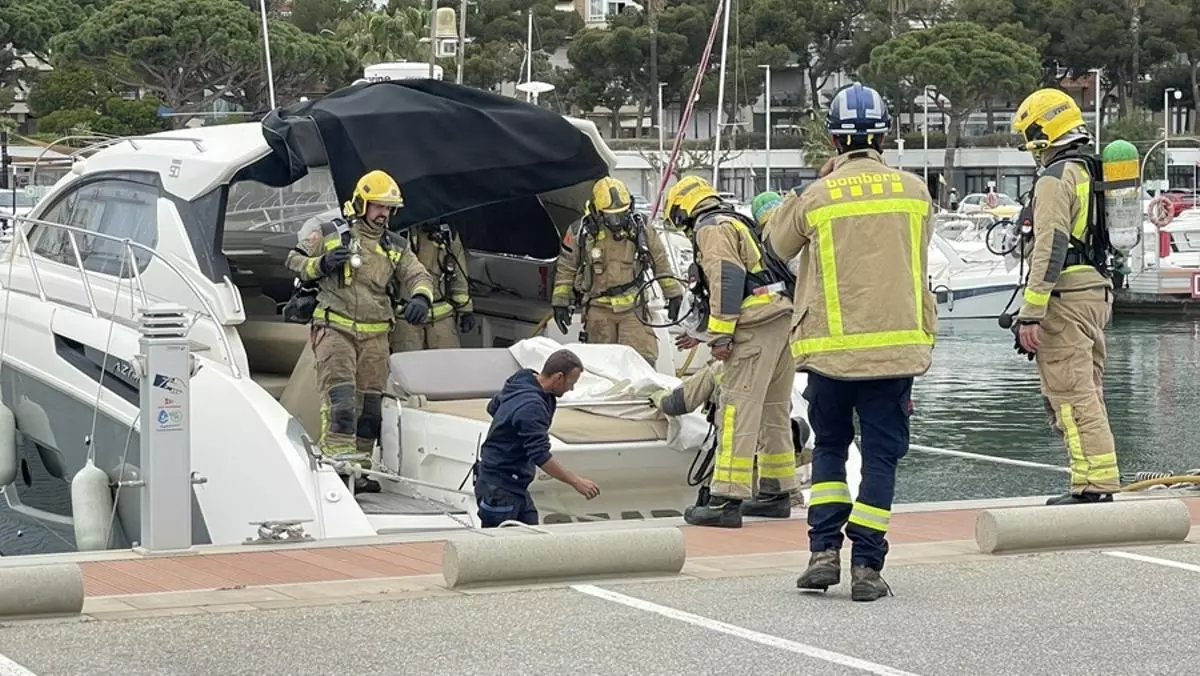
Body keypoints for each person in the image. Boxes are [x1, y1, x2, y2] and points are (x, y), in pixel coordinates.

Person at [763, 82, 936, 602]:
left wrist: (814, 186)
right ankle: (866, 567)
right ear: (883, 137)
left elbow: (775, 244)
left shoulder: (817, 196)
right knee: (880, 458)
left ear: (834, 140)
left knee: (831, 449)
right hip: (895, 353)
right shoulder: (914, 191)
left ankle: (822, 553)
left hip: (831, 354)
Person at [286, 169, 436, 493]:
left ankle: (360, 472)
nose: (384, 214)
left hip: (376, 336)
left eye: (389, 209)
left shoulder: (395, 246)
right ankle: (337, 473)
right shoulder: (331, 233)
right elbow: (294, 261)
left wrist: (422, 297)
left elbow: (418, 275)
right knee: (341, 402)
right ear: (360, 204)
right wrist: (323, 263)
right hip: (335, 329)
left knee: (370, 411)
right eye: (378, 206)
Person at [662, 175, 795, 528]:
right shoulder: (739, 222)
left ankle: (725, 501)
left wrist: (720, 335)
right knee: (774, 409)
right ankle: (775, 491)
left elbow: (726, 276)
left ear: (682, 211)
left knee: (736, 411)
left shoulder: (711, 228)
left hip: (754, 326)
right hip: (781, 318)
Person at [1011, 88, 1120, 506]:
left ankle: (1092, 486)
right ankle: (1097, 479)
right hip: (1095, 292)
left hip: (1067, 298)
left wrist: (1031, 313)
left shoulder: (1056, 178)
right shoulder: (1091, 169)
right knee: (1088, 389)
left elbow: (1051, 244)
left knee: (1071, 394)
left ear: (1042, 133)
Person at [552, 176, 683, 366]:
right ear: (597, 211)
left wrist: (674, 294)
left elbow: (660, 261)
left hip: (634, 308)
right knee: (602, 366)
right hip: (598, 309)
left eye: (621, 214)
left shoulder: (641, 228)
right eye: (611, 216)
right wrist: (561, 302)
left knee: (641, 362)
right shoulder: (580, 232)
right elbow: (567, 268)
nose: (617, 221)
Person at [649, 357, 799, 517]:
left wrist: (659, 397)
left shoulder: (720, 368)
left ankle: (724, 505)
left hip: (740, 466)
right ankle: (775, 498)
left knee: (732, 438)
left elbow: (677, 403)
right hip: (777, 461)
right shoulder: (778, 361)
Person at [474, 348, 601, 527]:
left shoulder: (523, 377)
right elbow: (540, 455)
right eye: (570, 383)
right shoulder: (532, 407)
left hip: (512, 484)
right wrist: (576, 482)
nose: (571, 388)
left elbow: (493, 407)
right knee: (503, 542)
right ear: (558, 377)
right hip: (500, 487)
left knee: (532, 535)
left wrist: (509, 430)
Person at [391, 221, 474, 352]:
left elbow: (459, 274)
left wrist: (466, 311)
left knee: (447, 362)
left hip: (442, 318)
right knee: (409, 363)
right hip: (407, 318)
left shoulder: (449, 234)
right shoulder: (399, 234)